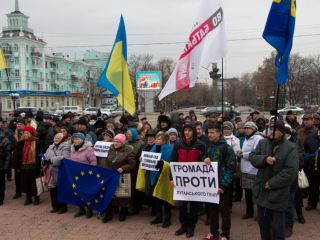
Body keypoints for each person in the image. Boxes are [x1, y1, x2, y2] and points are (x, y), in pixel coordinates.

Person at [249, 120, 299, 240]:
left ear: (282, 132)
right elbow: (253, 157)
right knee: (263, 226)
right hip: (261, 192)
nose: (272, 131)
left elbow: (291, 171)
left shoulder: (290, 147)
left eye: (275, 129)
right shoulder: (263, 143)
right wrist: (265, 159)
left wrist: (272, 183)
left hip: (278, 194)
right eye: (270, 128)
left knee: (277, 228)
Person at [202, 123, 236, 240]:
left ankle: (225, 234)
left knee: (224, 212)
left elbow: (231, 169)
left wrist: (223, 185)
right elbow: (206, 162)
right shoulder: (209, 146)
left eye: (212, 132)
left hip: (223, 186)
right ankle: (214, 233)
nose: (209, 135)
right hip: (211, 184)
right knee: (213, 210)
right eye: (208, 132)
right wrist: (205, 160)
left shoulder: (227, 149)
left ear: (218, 133)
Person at [171, 124, 206, 238]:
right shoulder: (178, 144)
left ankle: (191, 226)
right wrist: (172, 178)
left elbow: (204, 162)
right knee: (181, 205)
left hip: (195, 180)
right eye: (185, 130)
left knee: (194, 205)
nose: (187, 132)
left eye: (190, 130)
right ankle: (183, 225)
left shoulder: (200, 145)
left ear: (194, 132)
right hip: (181, 180)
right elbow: (173, 161)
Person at [100, 134, 136, 222]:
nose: (116, 143)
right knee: (109, 194)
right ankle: (108, 215)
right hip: (111, 175)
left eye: (118, 141)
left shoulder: (129, 151)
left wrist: (123, 168)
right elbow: (107, 161)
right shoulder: (110, 148)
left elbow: (133, 164)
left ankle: (123, 213)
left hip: (123, 176)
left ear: (123, 143)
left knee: (123, 196)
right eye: (115, 141)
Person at [239, 122, 264, 219]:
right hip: (245, 169)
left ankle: (259, 213)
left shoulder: (258, 138)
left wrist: (243, 154)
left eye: (249, 128)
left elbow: (256, 154)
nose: (246, 130)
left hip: (254, 170)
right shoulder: (246, 139)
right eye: (245, 128)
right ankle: (249, 211)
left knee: (256, 193)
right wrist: (241, 153)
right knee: (248, 193)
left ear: (254, 129)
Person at [69, 132, 97, 218]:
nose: (75, 140)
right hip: (76, 174)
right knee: (77, 192)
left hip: (86, 174)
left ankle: (89, 209)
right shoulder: (72, 148)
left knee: (86, 192)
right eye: (74, 139)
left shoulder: (89, 149)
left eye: (77, 139)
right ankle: (81, 209)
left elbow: (93, 161)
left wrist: (91, 173)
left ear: (82, 140)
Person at [42, 133, 70, 214]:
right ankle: (55, 206)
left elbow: (65, 157)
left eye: (58, 138)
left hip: (60, 171)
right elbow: (45, 156)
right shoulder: (50, 147)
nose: (56, 139)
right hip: (51, 171)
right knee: (52, 189)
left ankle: (63, 207)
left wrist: (51, 160)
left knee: (60, 189)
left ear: (62, 139)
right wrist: (44, 161)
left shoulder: (66, 146)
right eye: (55, 137)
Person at [16, 126, 42, 205]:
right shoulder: (20, 143)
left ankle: (36, 197)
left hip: (35, 166)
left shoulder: (37, 142)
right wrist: (17, 166)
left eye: (27, 133)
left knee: (35, 182)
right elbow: (17, 155)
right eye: (24, 133)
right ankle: (28, 197)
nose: (25, 134)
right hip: (24, 166)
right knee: (26, 182)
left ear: (31, 134)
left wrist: (40, 164)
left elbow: (41, 154)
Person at [303, 117, 320, 211]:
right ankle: (311, 203)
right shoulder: (310, 138)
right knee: (313, 186)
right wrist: (308, 161)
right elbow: (304, 151)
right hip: (313, 167)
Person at [12, 118, 26, 199]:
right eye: (18, 124)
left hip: (24, 157)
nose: (19, 125)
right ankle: (18, 191)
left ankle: (26, 190)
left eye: (20, 124)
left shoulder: (26, 134)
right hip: (16, 158)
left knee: (25, 175)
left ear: (24, 125)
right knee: (17, 176)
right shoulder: (14, 134)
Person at [0, 126, 12, 205]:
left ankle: (1, 199)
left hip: (1, 167)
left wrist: (5, 167)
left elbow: (8, 156)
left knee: (1, 184)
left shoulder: (5, 140)